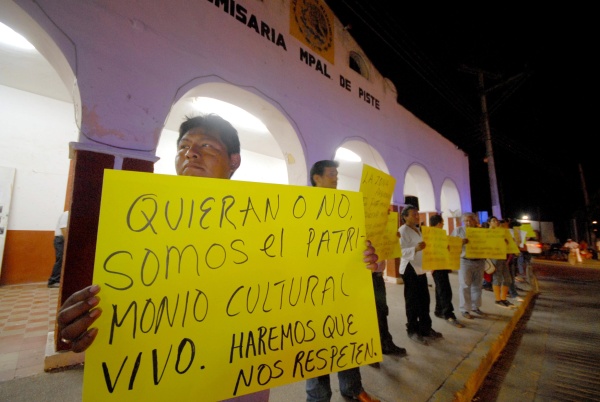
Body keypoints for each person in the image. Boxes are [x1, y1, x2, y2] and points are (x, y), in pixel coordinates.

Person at [55, 116, 380, 402]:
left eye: (207, 145)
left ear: (234, 161)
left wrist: (355, 262)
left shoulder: (271, 223)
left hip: (239, 383)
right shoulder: (138, 223)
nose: (190, 152)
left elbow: (307, 279)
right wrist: (90, 317)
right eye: (184, 145)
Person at [305, 159, 380, 402]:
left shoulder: (347, 206)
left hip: (345, 285)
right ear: (316, 178)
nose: (336, 177)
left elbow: (355, 244)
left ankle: (352, 388)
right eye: (331, 174)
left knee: (347, 335)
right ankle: (318, 396)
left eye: (337, 173)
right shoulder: (302, 205)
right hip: (311, 288)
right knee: (316, 342)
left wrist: (366, 252)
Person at [399, 204, 443, 345]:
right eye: (414, 214)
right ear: (405, 217)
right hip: (410, 269)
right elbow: (399, 251)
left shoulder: (419, 230)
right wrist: (415, 248)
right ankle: (412, 330)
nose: (417, 216)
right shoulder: (402, 231)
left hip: (421, 268)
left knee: (424, 299)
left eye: (417, 214)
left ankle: (426, 327)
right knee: (412, 301)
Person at [429, 214, 464, 328]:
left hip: (442, 265)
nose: (443, 225)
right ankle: (448, 314)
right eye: (442, 223)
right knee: (445, 290)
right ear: (438, 223)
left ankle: (439, 310)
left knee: (441, 289)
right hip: (437, 266)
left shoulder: (438, 235)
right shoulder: (432, 235)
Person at [451, 212, 486, 320]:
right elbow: (451, 244)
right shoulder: (458, 231)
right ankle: (465, 309)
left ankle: (476, 307)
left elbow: (488, 244)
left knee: (477, 285)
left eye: (470, 220)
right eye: (466, 220)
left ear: (475, 221)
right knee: (465, 285)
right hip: (465, 261)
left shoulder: (481, 231)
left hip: (479, 261)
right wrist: (460, 243)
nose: (468, 222)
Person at [487, 216, 515, 309]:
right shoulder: (488, 233)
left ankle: (503, 299)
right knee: (497, 278)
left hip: (502, 256)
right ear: (489, 223)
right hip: (494, 257)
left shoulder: (502, 231)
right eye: (493, 221)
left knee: (508, 279)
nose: (496, 222)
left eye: (496, 220)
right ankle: (498, 300)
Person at [47, 210, 69, 288]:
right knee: (61, 259)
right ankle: (53, 281)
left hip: (63, 239)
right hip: (61, 239)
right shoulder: (67, 214)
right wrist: (68, 241)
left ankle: (60, 280)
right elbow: (63, 228)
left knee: (63, 260)